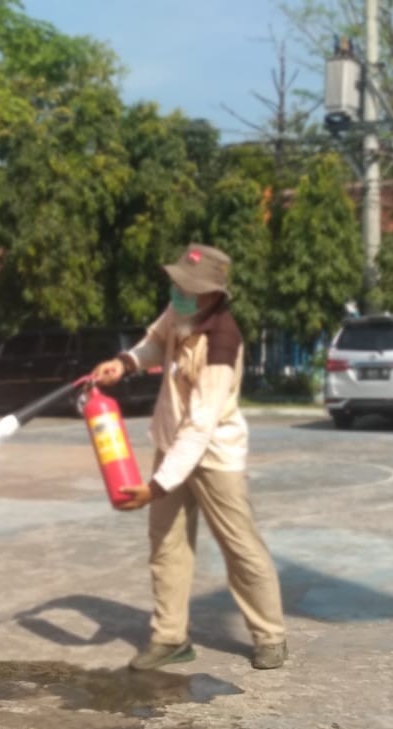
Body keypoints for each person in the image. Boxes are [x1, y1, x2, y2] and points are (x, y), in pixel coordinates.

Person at [92, 243, 287, 671]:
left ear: (212, 293)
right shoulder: (179, 311)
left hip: (214, 456)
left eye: (188, 287)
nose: (178, 291)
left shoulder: (223, 341)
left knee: (240, 548)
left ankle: (270, 635)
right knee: (166, 545)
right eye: (177, 282)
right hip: (170, 442)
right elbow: (154, 343)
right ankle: (170, 638)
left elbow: (201, 426)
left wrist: (156, 486)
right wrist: (124, 363)